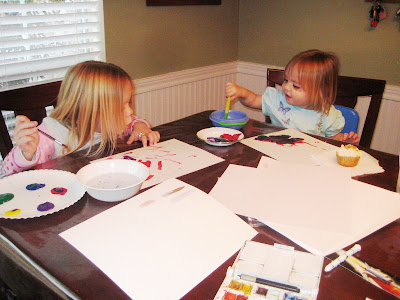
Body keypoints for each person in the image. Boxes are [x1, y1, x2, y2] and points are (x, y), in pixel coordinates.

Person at [2, 61, 160, 175]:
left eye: (128, 102)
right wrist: (26, 154)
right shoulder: (49, 135)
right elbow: (7, 173)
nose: (129, 111)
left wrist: (140, 127)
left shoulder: (111, 122)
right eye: (121, 106)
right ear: (90, 110)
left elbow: (134, 121)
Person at [226, 49, 359, 144]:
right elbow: (254, 100)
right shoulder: (277, 100)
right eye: (286, 80)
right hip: (276, 153)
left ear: (320, 91)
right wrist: (241, 93)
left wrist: (344, 141)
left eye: (296, 86)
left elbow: (333, 139)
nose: (286, 87)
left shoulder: (327, 114)